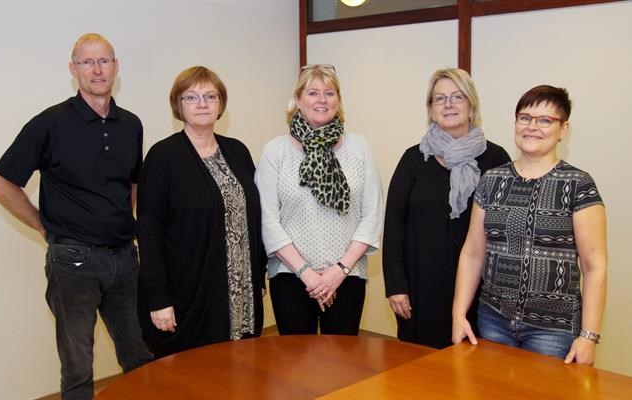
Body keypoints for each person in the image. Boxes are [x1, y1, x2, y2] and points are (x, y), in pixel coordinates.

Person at [0, 33, 152, 399]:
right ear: (73, 69)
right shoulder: (50, 123)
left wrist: (119, 222)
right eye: (87, 62)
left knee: (140, 356)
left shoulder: (131, 124)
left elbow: (133, 182)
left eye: (104, 61)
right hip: (73, 262)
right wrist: (43, 226)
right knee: (78, 369)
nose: (97, 70)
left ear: (116, 67)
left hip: (125, 258)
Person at [452, 85, 607, 365]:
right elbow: (473, 253)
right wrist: (459, 314)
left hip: (554, 331)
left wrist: (589, 336)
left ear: (563, 129)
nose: (532, 127)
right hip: (493, 320)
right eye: (524, 118)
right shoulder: (492, 180)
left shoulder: (578, 184)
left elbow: (594, 266)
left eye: (545, 120)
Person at [136, 66, 266, 358]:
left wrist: (258, 277)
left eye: (210, 96)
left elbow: (253, 219)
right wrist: (158, 298)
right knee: (197, 373)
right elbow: (148, 230)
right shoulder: (162, 157)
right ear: (178, 105)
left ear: (221, 104)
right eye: (191, 97)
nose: (202, 104)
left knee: (242, 371)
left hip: (242, 294)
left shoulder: (238, 151)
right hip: (189, 296)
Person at [383, 68, 510, 349]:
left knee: (472, 368)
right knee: (418, 368)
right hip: (419, 290)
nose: (448, 104)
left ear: (471, 104)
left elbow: (506, 228)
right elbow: (393, 226)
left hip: (480, 292)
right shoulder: (413, 160)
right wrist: (396, 286)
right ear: (431, 109)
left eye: (457, 97)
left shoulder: (496, 159)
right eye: (440, 99)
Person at [255, 64, 383, 335]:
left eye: (329, 93)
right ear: (298, 100)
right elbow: (268, 220)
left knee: (343, 358)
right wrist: (308, 274)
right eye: (313, 93)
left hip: (347, 275)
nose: (322, 100)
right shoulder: (275, 151)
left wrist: (338, 271)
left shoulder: (360, 148)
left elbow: (372, 215)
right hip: (290, 276)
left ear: (339, 100)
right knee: (295, 359)